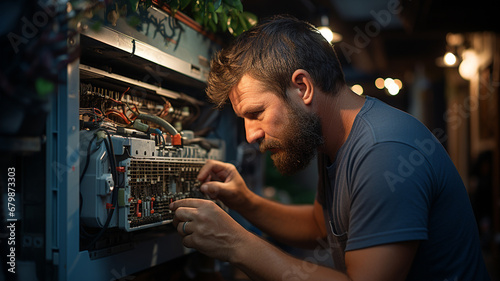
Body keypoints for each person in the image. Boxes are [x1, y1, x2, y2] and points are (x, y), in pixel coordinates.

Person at [169, 15, 490, 280]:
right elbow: (320, 226)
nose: (251, 134)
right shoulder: (335, 142)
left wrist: (234, 243)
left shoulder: (385, 151)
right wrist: (246, 202)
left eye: (256, 113)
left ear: (303, 87)